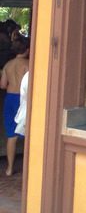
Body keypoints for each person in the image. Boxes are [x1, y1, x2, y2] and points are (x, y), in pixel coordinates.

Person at [0, 35, 29, 176]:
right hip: (23, 99)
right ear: (27, 49)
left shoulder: (8, 65)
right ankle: (29, 166)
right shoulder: (28, 64)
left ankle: (9, 169)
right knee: (29, 132)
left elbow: (2, 85)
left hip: (9, 99)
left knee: (11, 135)